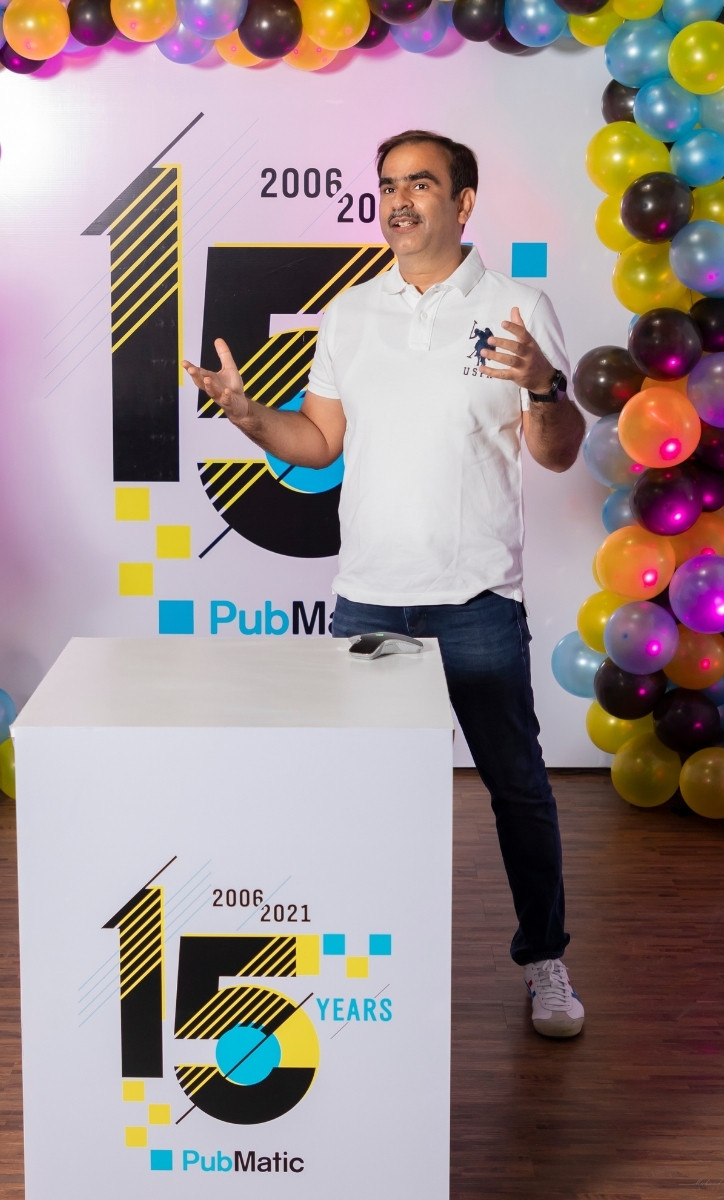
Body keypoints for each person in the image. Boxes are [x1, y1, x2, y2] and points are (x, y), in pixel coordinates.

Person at [183, 130, 587, 1039]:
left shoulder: (519, 306)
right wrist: (250, 415)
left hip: (479, 597)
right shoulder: (351, 314)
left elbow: (554, 456)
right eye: (388, 186)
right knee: (352, 789)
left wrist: (547, 387)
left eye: (422, 184)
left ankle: (546, 961)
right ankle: (345, 962)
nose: (399, 201)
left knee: (518, 787)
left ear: (465, 202)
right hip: (368, 598)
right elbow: (319, 444)